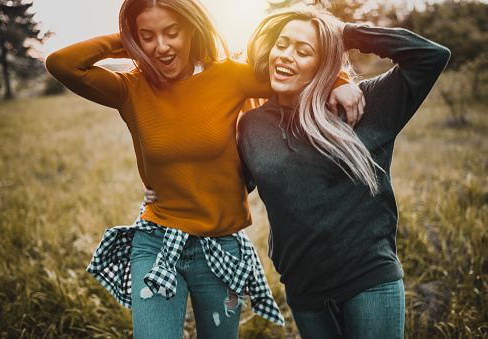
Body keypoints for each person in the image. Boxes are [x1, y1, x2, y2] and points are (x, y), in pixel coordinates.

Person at [45, 0, 365, 337]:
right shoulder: (130, 88)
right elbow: (61, 63)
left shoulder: (229, 76)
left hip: (221, 245)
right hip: (157, 241)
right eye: (148, 36)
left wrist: (339, 80)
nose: (162, 47)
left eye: (171, 32)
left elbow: (295, 70)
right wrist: (127, 40)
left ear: (192, 30)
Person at [234, 4, 450, 338]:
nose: (286, 55)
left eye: (303, 51)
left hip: (368, 282)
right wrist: (164, 187)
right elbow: (235, 184)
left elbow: (430, 56)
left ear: (323, 64)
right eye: (282, 44)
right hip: (305, 293)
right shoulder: (251, 126)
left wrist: (344, 33)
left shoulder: (362, 104)